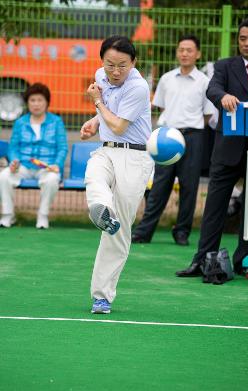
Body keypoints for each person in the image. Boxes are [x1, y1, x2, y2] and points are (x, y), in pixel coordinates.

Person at [176, 17, 248, 277]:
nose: (246, 43)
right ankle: (201, 260)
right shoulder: (226, 66)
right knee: (214, 207)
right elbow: (212, 88)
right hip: (227, 148)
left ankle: (244, 261)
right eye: (242, 38)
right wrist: (223, 96)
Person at [80, 36, 154, 314]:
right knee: (93, 173)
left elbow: (120, 125)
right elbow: (108, 118)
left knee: (118, 233)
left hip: (135, 157)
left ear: (133, 63)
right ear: (102, 62)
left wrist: (97, 104)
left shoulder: (138, 87)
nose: (115, 71)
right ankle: (102, 210)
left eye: (122, 65)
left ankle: (102, 297)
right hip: (107, 149)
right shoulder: (101, 74)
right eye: (110, 64)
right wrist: (94, 121)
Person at [132, 35, 215, 246]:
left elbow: (207, 115)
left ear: (198, 54)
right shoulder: (167, 79)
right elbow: (160, 107)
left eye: (189, 50)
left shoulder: (204, 82)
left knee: (189, 187)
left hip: (193, 137)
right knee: (159, 185)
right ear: (177, 52)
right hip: (166, 137)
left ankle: (182, 233)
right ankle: (143, 232)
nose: (185, 53)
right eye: (181, 50)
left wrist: (189, 129)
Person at [0, 83, 68, 229]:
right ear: (27, 103)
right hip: (23, 165)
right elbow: (13, 146)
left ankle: (42, 216)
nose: (36, 104)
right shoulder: (20, 122)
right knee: (4, 176)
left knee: (51, 179)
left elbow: (62, 148)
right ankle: (7, 216)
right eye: (32, 100)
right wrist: (15, 161)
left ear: (46, 102)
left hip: (47, 166)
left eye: (40, 100)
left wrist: (57, 164)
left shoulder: (56, 122)